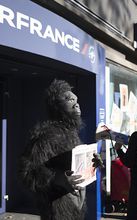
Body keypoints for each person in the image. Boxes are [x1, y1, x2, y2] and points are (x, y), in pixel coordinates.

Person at [19, 79, 103, 220]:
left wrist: (93, 164)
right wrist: (58, 179)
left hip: (76, 204)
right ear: (56, 106)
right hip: (57, 210)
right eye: (69, 99)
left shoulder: (71, 132)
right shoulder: (46, 135)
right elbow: (27, 173)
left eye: (76, 99)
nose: (76, 103)